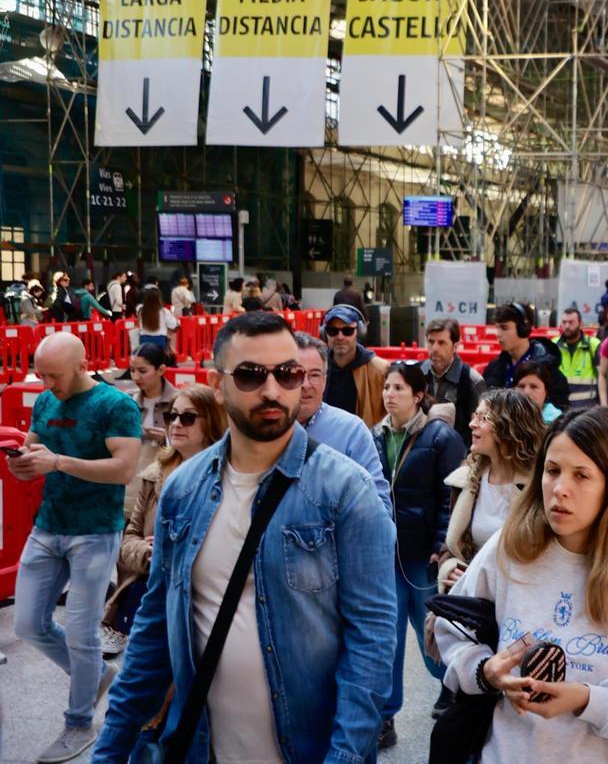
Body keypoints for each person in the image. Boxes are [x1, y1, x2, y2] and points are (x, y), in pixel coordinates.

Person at [94, 311, 397, 763]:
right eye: (252, 375)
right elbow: (154, 630)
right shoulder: (183, 489)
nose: (273, 390)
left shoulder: (345, 490)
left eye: (288, 373)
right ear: (219, 384)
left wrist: (347, 755)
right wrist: (111, 749)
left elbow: (372, 642)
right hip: (204, 746)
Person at [434, 408, 608, 764]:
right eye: (552, 471)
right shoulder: (508, 549)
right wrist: (482, 670)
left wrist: (589, 701)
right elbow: (449, 629)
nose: (560, 489)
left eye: (582, 475)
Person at [10, 333, 141, 762]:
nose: (47, 384)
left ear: (81, 366)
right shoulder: (46, 401)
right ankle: (96, 674)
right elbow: (33, 454)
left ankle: (78, 721)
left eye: (55, 375)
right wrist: (22, 463)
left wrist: (59, 462)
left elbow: (124, 470)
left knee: (83, 632)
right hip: (49, 525)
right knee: (29, 623)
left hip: (95, 530)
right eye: (42, 375)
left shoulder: (115, 405)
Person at [372, 361, 466, 746]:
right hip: (386, 554)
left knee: (431, 634)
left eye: (398, 388)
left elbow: (453, 497)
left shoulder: (441, 437)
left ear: (418, 395)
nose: (390, 394)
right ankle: (385, 717)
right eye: (387, 387)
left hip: (423, 556)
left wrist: (441, 546)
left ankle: (455, 688)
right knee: (387, 639)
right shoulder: (375, 436)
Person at [100, 385, 226, 657]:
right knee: (140, 681)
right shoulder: (154, 474)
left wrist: (178, 547)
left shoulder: (228, 477)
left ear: (211, 422)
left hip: (202, 602)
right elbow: (130, 536)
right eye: (172, 416)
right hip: (152, 595)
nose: (177, 424)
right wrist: (147, 552)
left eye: (188, 417)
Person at [436, 389, 543, 591]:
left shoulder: (539, 487)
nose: (472, 424)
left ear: (509, 427)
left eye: (483, 418)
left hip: (517, 604)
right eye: (474, 416)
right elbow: (451, 547)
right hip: (472, 605)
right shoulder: (466, 480)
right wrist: (450, 568)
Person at [294, 332, 391, 511]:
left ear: (325, 379)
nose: (306, 384)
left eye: (314, 375)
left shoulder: (351, 432)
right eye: (296, 373)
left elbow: (380, 510)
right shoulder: (259, 429)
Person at [124, 343, 178, 519]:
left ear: (161, 370)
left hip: (164, 484)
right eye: (132, 370)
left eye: (142, 370)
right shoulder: (127, 402)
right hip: (130, 485)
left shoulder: (179, 401)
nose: (135, 376)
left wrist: (167, 438)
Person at [483, 302, 570, 409]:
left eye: (504, 328)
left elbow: (560, 411)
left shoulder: (548, 369)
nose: (498, 334)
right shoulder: (494, 367)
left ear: (523, 329)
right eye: (497, 328)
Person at [423, 317, 488, 446]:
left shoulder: (472, 381)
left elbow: (481, 428)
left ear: (455, 346)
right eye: (431, 342)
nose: (434, 348)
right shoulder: (417, 374)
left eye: (441, 343)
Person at [321, 304, 389, 426]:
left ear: (359, 332)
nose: (340, 337)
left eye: (347, 331)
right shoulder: (318, 366)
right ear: (324, 333)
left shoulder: (379, 370)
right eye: (333, 331)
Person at [553, 307, 602, 408]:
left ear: (580, 324)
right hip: (559, 410)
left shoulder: (594, 345)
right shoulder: (553, 345)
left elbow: (605, 376)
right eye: (564, 322)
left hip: (587, 410)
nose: (567, 326)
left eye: (571, 322)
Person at [514, 359, 565, 423]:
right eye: (521, 386)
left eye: (533, 387)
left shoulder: (557, 421)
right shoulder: (506, 417)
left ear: (546, 391)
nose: (526, 392)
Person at [136, 287, 177, 353]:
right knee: (159, 361)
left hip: (143, 341)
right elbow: (174, 325)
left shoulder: (140, 311)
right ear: (159, 299)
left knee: (146, 361)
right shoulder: (164, 311)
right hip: (159, 340)